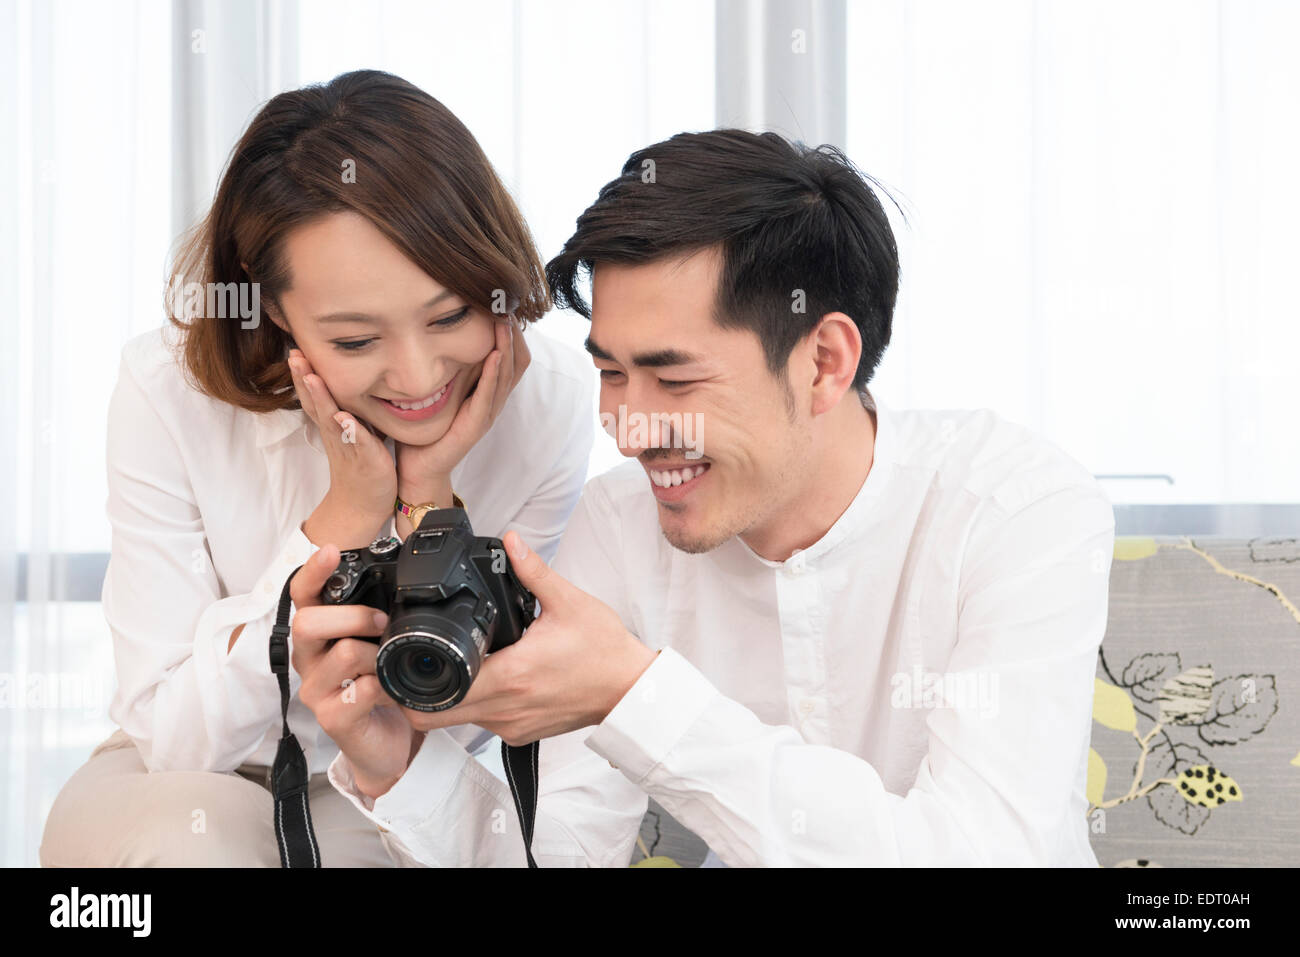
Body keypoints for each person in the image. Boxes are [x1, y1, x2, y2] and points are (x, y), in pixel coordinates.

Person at [297, 129, 1116, 867]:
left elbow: (979, 856)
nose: (626, 427)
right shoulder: (619, 528)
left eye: (674, 377)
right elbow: (560, 853)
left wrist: (635, 694)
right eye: (611, 373)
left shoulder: (1018, 510)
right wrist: (394, 763)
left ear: (824, 361)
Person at [38, 70, 593, 867]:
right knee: (186, 850)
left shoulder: (551, 404)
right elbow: (170, 729)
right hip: (187, 766)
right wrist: (347, 510)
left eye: (450, 315)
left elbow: (471, 712)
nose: (416, 376)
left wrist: (427, 501)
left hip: (388, 763)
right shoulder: (169, 391)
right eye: (356, 341)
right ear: (273, 312)